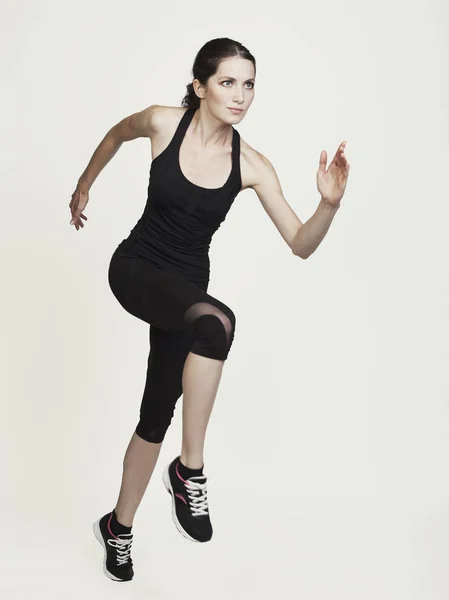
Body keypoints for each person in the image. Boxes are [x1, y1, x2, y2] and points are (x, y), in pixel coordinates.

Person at [69, 37, 350, 583]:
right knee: (217, 322)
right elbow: (112, 136)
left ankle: (117, 528)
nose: (240, 95)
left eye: (249, 84)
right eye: (228, 82)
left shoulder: (252, 164)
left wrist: (328, 205)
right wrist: (83, 186)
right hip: (136, 268)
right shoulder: (161, 123)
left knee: (156, 412)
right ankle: (189, 469)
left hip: (186, 295)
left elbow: (300, 242)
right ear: (199, 87)